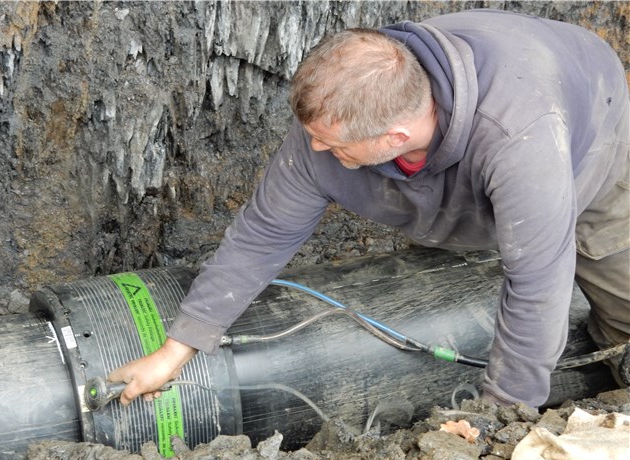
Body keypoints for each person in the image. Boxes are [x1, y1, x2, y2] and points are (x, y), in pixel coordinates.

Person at [109, 9, 629, 409]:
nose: (314, 151)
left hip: (589, 140)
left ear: (395, 137)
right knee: (457, 235)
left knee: (609, 282)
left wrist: (502, 412)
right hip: (459, 160)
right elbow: (262, 234)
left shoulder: (522, 141)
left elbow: (538, 281)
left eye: (332, 147)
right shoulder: (340, 110)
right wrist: (176, 350)